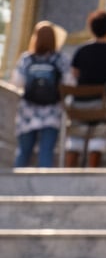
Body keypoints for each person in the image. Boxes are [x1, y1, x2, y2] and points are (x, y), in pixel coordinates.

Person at [65, 9, 106, 168]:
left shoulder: (81, 51)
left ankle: (70, 168)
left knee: (76, 136)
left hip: (79, 103)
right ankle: (93, 169)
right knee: (98, 137)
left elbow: (74, 74)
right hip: (102, 103)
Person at [12, 21, 73, 168]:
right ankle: (44, 190)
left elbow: (17, 82)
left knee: (23, 152)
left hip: (27, 111)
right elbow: (70, 82)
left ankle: (14, 189)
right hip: (52, 111)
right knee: (46, 152)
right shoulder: (60, 59)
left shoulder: (26, 58)